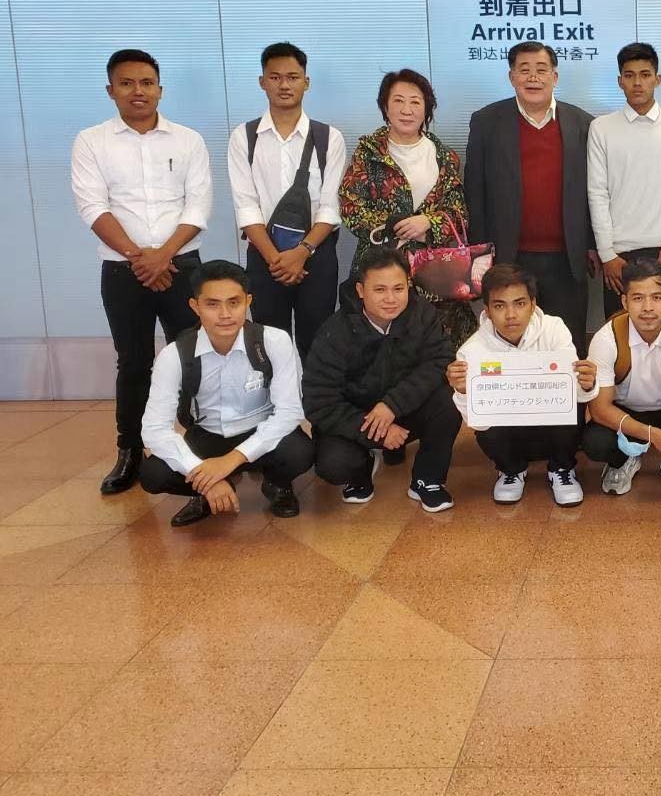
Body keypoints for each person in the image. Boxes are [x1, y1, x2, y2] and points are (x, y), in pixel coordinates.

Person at [71, 49, 212, 497]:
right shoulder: (91, 142)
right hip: (122, 269)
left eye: (147, 83)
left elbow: (198, 205)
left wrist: (163, 254)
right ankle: (129, 450)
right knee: (133, 362)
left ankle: (203, 444)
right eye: (128, 83)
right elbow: (94, 207)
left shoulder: (187, 140)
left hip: (183, 266)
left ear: (160, 89)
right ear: (110, 90)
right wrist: (140, 256)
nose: (138, 91)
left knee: (195, 358)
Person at [138, 260, 314, 528]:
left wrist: (231, 460)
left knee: (299, 451)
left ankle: (277, 484)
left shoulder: (274, 341)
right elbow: (153, 429)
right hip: (207, 435)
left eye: (234, 302)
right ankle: (205, 493)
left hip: (260, 430)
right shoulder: (174, 355)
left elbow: (289, 412)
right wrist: (209, 478)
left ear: (248, 301)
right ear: (195, 306)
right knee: (153, 473)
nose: (224, 314)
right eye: (212, 304)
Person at [304, 247, 462, 513]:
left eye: (398, 288)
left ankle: (427, 479)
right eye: (379, 290)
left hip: (404, 410)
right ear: (360, 290)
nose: (391, 299)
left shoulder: (422, 314)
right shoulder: (335, 331)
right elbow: (319, 401)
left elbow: (439, 361)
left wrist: (392, 405)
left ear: (408, 286)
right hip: (356, 419)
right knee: (334, 464)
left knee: (448, 401)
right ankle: (362, 469)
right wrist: (374, 428)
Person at [465, 41, 596, 351]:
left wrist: (592, 243)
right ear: (512, 77)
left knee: (568, 342)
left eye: (541, 70)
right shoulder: (486, 122)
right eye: (524, 70)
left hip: (567, 257)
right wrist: (481, 254)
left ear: (555, 76)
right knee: (509, 342)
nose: (533, 78)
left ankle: (571, 401)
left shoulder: (583, 123)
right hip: (509, 257)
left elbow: (594, 190)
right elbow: (475, 191)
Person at [227, 41, 347, 360]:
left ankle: (318, 409)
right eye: (275, 76)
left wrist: (301, 253)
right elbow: (246, 204)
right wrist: (275, 258)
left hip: (316, 256)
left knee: (318, 342)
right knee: (268, 342)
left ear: (306, 82)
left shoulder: (328, 137)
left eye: (293, 77)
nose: (284, 84)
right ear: (262, 82)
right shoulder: (244, 136)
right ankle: (278, 409)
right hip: (265, 257)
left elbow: (330, 206)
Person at [339, 68, 475, 347]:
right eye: (398, 101)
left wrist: (428, 224)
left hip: (436, 275)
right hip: (382, 265)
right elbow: (350, 205)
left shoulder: (444, 156)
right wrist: (395, 229)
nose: (407, 109)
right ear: (385, 107)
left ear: (427, 109)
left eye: (415, 102)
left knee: (438, 345)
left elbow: (458, 210)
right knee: (381, 343)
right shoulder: (368, 153)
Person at [447, 263, 597, 506]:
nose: (510, 315)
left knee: (570, 401)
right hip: (510, 435)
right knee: (486, 421)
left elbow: (577, 396)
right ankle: (510, 470)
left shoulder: (554, 329)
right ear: (486, 309)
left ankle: (561, 469)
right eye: (499, 305)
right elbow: (478, 423)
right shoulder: (472, 352)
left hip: (551, 431)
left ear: (533, 304)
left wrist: (586, 384)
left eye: (519, 303)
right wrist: (463, 392)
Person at [588, 42, 661, 317]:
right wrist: (607, 253)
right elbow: (598, 193)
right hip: (618, 254)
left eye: (645, 75)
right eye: (629, 75)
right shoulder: (602, 128)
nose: (637, 83)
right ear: (620, 81)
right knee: (620, 335)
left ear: (658, 79)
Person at [581, 257, 661, 497]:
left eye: (656, 297)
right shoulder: (606, 338)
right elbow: (601, 409)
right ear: (624, 301)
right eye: (637, 298)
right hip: (624, 411)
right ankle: (623, 460)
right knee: (596, 443)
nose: (647, 308)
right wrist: (654, 435)